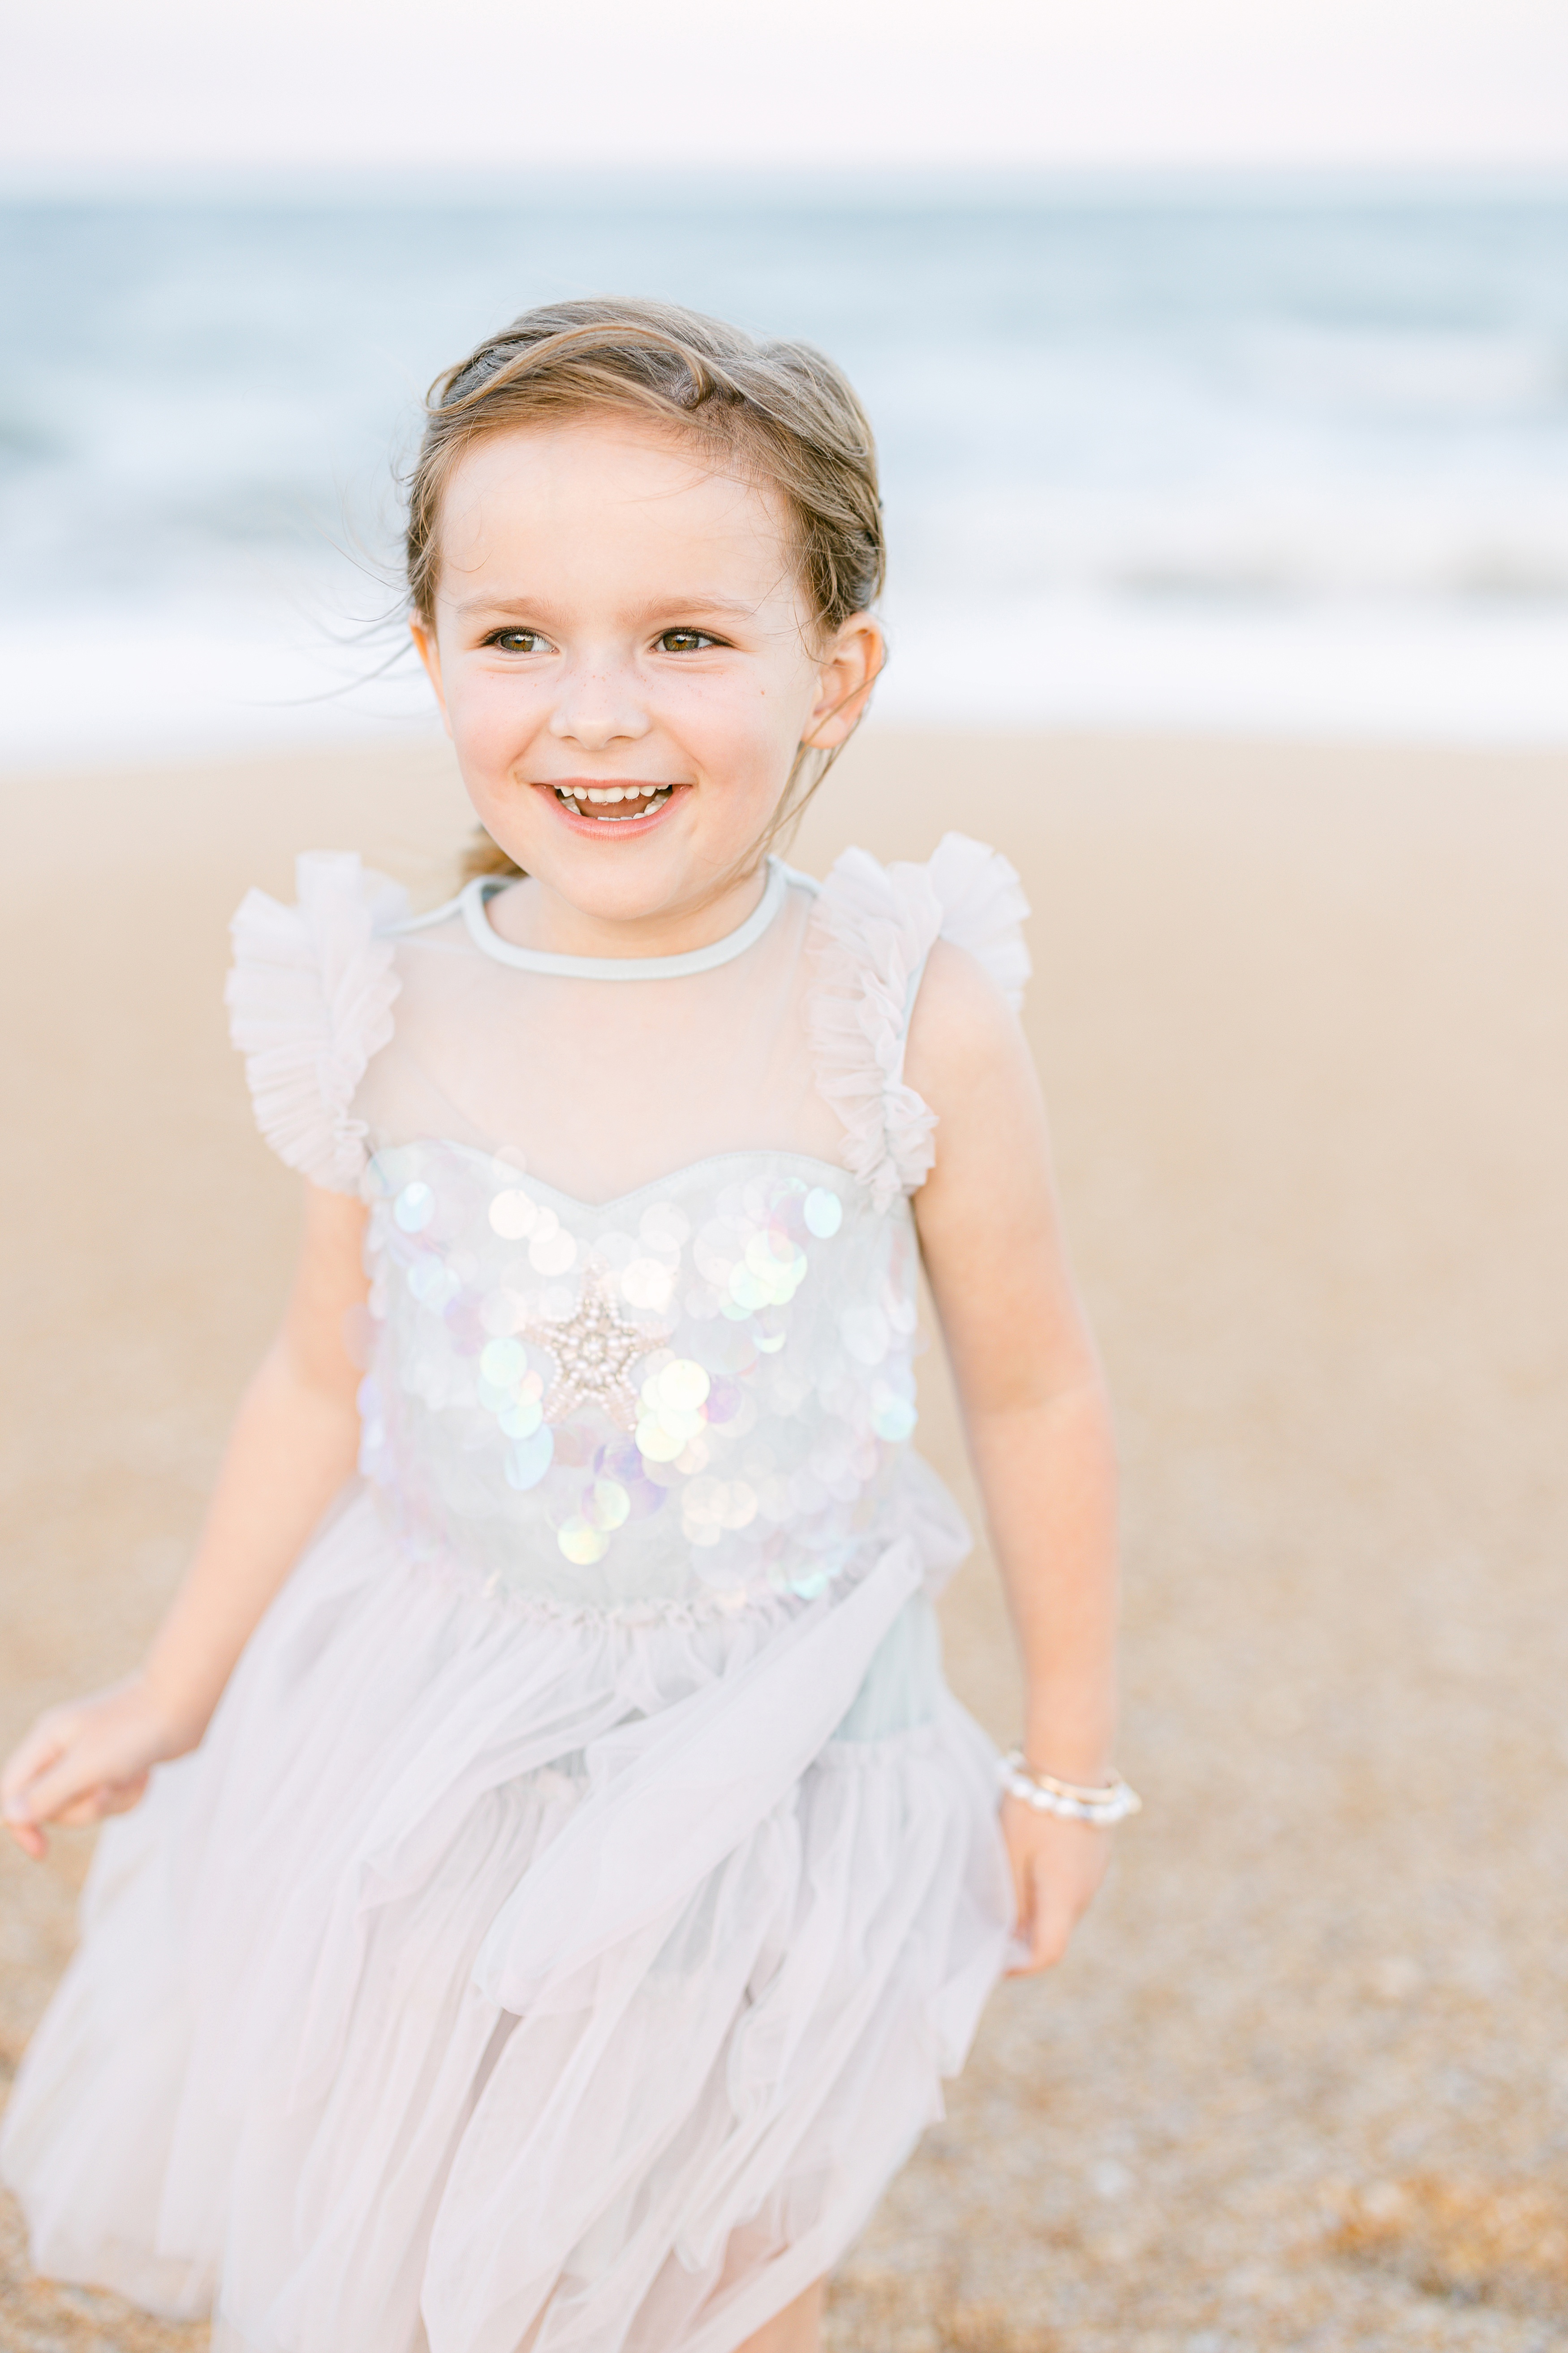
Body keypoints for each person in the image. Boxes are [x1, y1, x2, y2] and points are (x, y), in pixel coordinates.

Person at [0, 298, 1131, 2353]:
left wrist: (1061, 1768)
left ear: (832, 677)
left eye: (687, 638)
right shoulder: (383, 992)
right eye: (518, 636)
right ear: (435, 657)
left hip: (768, 1746)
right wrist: (180, 1685)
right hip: (426, 1724)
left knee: (703, 2253)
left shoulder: (899, 1001)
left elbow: (1034, 1383)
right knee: (428, 2221)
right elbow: (320, 1367)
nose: (593, 711)